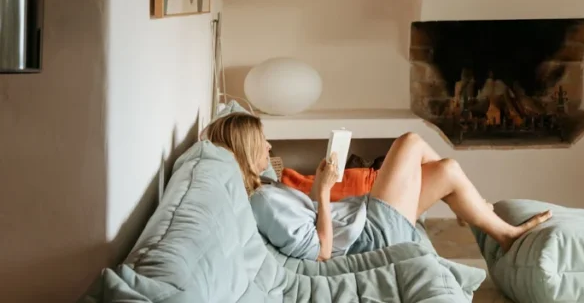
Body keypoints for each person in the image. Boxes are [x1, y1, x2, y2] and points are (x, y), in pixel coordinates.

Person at [205, 112, 551, 263]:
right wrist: (324, 193)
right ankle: (477, 211)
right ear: (246, 150)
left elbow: (309, 220)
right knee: (411, 141)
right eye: (262, 141)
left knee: (447, 170)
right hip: (369, 235)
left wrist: (322, 187)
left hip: (364, 220)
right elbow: (322, 252)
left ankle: (501, 233)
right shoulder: (263, 201)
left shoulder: (265, 187)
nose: (268, 147)